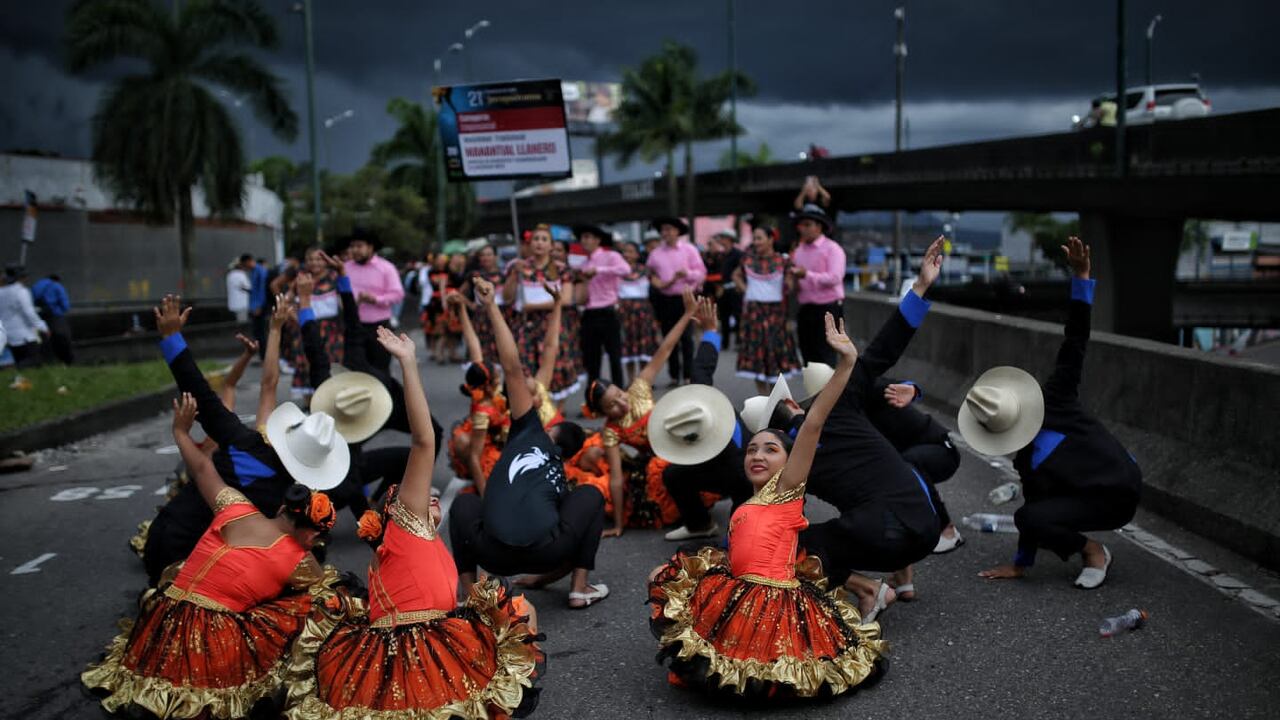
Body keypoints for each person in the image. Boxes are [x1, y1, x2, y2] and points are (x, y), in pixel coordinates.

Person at [284, 326, 544, 719]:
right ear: (398, 512)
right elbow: (424, 442)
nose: (429, 496)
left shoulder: (391, 553)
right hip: (421, 650)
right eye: (417, 496)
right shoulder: (406, 523)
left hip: (390, 655)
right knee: (519, 610)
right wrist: (408, 363)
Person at [647, 313, 887, 700]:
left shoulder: (788, 490)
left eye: (771, 449)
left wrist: (845, 364)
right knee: (665, 578)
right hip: (739, 588)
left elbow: (812, 425)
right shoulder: (751, 499)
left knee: (760, 673)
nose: (758, 454)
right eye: (753, 448)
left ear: (790, 462)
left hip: (772, 599)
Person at [83, 393, 336, 719]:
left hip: (165, 619)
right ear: (313, 533)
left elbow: (203, 468)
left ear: (283, 506)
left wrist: (180, 433)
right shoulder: (298, 559)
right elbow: (321, 586)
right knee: (322, 600)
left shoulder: (235, 506)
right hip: (211, 640)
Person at [754, 237, 947, 621]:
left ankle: (869, 589)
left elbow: (770, 519)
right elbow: (883, 349)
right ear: (794, 402)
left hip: (886, 529)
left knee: (788, 544)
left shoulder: (789, 467)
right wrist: (921, 286)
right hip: (926, 525)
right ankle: (900, 578)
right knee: (873, 493)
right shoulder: (839, 402)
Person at [141, 294, 350, 584]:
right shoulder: (288, 500)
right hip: (195, 565)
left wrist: (173, 338)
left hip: (163, 541)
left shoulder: (246, 441)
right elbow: (267, 386)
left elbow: (202, 393)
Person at [973, 237, 1141, 589]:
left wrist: (1082, 279)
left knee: (1037, 513)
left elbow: (1075, 342)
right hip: (1085, 497)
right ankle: (1091, 549)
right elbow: (1032, 515)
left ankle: (1096, 553)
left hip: (1120, 488)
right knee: (1029, 515)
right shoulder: (1027, 461)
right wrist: (1021, 564)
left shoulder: (1057, 398)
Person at [449, 277, 606, 609]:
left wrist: (490, 306)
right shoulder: (559, 476)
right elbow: (573, 530)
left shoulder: (530, 428)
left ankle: (469, 593)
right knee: (591, 494)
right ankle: (580, 587)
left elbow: (511, 364)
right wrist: (544, 576)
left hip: (492, 554)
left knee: (464, 504)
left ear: (551, 432)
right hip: (547, 552)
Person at [584, 290, 702, 534]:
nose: (621, 403)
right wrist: (618, 524)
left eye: (619, 394)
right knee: (654, 471)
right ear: (601, 413)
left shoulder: (638, 390)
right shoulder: (611, 431)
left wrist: (688, 314)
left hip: (682, 441)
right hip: (658, 460)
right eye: (612, 405)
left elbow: (665, 349)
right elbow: (616, 478)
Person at [654, 297, 754, 542]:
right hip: (714, 465)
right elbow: (702, 368)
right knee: (672, 474)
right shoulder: (699, 406)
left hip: (747, 478)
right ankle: (700, 524)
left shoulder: (743, 465)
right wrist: (710, 331)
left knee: (740, 538)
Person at [868, 377, 965, 565]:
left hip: (941, 451)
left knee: (907, 463)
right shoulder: (840, 409)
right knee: (886, 470)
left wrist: (913, 389)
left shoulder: (863, 389)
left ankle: (948, 529)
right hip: (908, 455)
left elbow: (901, 385)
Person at [504, 224, 583, 400]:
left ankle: (556, 412)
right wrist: (513, 276)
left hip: (552, 324)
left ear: (551, 245)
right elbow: (507, 297)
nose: (539, 243)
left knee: (556, 365)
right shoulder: (519, 267)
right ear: (530, 244)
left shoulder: (562, 269)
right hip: (526, 326)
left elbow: (566, 299)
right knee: (525, 367)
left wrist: (534, 306)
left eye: (544, 239)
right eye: (536, 239)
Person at [733, 225, 801, 396]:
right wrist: (744, 289)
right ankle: (763, 398)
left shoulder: (782, 261)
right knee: (757, 353)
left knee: (775, 352)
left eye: (759, 238)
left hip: (776, 313)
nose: (756, 242)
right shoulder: (747, 260)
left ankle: (776, 397)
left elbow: (790, 285)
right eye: (754, 238)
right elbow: (736, 275)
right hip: (754, 312)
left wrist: (789, 282)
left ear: (771, 239)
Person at [645, 217, 706, 386]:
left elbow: (701, 272)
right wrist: (657, 281)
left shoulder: (689, 250)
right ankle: (673, 375)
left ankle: (687, 375)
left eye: (670, 229)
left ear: (678, 231)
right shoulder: (655, 254)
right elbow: (650, 273)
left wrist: (687, 273)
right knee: (668, 338)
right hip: (665, 299)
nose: (667, 233)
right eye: (664, 229)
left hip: (686, 299)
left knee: (687, 338)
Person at [790, 203, 847, 366]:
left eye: (807, 225)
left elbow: (835, 277)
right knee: (808, 355)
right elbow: (797, 279)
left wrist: (806, 274)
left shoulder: (832, 249)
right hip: (806, 308)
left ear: (819, 227)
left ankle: (828, 391)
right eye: (801, 225)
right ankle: (813, 391)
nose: (803, 229)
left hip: (828, 308)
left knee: (826, 356)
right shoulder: (799, 250)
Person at [342, 229, 404, 374]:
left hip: (379, 327)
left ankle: (384, 396)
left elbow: (398, 294)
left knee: (380, 369)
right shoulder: (346, 268)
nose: (354, 250)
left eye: (359, 246)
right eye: (352, 246)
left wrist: (375, 299)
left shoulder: (386, 268)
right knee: (354, 370)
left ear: (370, 247)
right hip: (353, 326)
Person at [576, 224, 630, 386]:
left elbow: (625, 269)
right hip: (589, 313)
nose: (584, 241)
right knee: (592, 361)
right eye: (582, 237)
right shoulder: (583, 263)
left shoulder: (611, 256)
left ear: (597, 240)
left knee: (615, 357)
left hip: (608, 312)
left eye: (587, 237)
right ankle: (593, 402)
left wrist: (598, 270)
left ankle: (620, 394)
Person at [289, 247, 344, 401]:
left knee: (331, 365)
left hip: (331, 331)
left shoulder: (334, 278)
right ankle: (310, 405)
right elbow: (286, 301)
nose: (315, 262)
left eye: (319, 259)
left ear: (325, 261)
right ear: (306, 262)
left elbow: (345, 300)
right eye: (311, 259)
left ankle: (332, 402)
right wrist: (295, 317)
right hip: (307, 328)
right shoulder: (301, 280)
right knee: (307, 365)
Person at [616, 240, 661, 385]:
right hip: (625, 312)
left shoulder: (645, 270)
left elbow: (660, 284)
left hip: (643, 312)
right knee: (628, 347)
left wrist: (676, 278)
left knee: (643, 347)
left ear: (637, 254)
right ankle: (630, 381)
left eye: (630, 251)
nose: (626, 254)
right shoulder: (617, 271)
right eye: (625, 251)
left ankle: (643, 380)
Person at [459, 244, 506, 361]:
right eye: (483, 255)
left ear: (495, 257)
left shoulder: (504, 275)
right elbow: (460, 292)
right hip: (481, 319)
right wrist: (471, 305)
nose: (486, 258)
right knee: (480, 354)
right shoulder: (475, 275)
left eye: (489, 254)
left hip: (501, 315)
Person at [0, 266, 48, 369]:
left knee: (20, 359)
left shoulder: (1, 292)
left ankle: (19, 379)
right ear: (22, 277)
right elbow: (29, 312)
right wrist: (42, 327)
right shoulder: (21, 291)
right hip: (24, 335)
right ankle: (9, 370)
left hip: (8, 334)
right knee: (35, 361)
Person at [711, 231, 744, 350]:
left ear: (730, 239)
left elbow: (743, 271)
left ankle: (740, 341)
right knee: (724, 317)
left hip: (735, 288)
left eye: (723, 237)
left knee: (738, 315)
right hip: (723, 289)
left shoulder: (738, 254)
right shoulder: (720, 255)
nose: (721, 240)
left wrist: (740, 286)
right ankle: (725, 342)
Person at [31, 273, 73, 364]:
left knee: (44, 340)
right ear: (56, 279)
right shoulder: (56, 286)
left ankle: (48, 361)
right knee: (62, 339)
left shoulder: (35, 286)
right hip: (55, 317)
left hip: (40, 317)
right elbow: (65, 304)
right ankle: (66, 362)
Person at [249, 256, 271, 358]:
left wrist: (259, 306)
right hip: (255, 306)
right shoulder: (254, 271)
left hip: (259, 307)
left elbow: (262, 290)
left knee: (261, 333)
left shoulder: (260, 271)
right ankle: (263, 355)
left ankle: (265, 356)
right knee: (258, 333)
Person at [225, 255, 253, 327]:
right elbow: (248, 288)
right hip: (242, 304)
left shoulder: (229, 275)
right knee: (242, 324)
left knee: (234, 325)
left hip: (232, 304)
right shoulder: (241, 274)